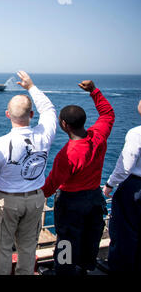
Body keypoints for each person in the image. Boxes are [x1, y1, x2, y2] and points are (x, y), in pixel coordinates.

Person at [0, 71, 57, 275]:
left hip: (6, 202)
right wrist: (31, 87)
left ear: (7, 114)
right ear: (31, 115)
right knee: (28, 248)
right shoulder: (44, 135)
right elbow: (49, 109)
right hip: (36, 200)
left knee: (1, 249)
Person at [42, 80, 115, 275]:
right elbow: (107, 114)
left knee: (66, 239)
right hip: (93, 197)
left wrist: (31, 195)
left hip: (71, 202)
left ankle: (63, 271)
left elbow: (50, 186)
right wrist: (94, 91)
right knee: (91, 235)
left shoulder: (67, 154)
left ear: (64, 125)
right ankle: (84, 267)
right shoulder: (98, 136)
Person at [103, 99, 141, 273]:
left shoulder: (136, 133)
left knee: (124, 230)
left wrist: (110, 184)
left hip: (135, 187)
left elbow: (126, 164)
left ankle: (120, 268)